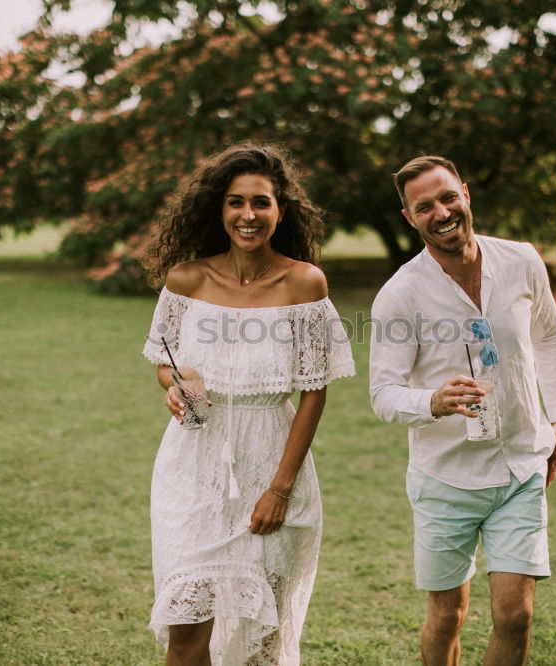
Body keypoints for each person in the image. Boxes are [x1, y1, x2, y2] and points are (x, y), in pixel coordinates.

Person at [141, 142, 355, 665]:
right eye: (236, 202)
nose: (248, 215)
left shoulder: (305, 284)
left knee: (261, 640)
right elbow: (163, 359)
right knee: (186, 629)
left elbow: (313, 392)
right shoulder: (185, 280)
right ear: (220, 208)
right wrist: (175, 383)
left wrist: (279, 490)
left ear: (281, 209)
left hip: (273, 464)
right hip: (191, 469)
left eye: (260, 202)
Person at [368, 156, 556, 665]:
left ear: (465, 192)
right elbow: (383, 392)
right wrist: (432, 402)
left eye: (447, 197)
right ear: (408, 218)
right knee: (448, 615)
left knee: (515, 615)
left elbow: (551, 338)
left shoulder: (522, 261)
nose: (441, 212)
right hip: (446, 479)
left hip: (522, 466)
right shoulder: (399, 295)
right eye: (424, 207)